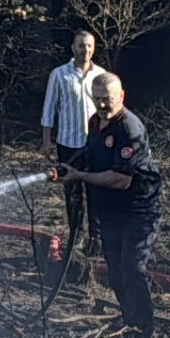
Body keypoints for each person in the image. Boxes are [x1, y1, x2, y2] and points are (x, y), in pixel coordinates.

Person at [54, 70, 163, 338]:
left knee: (132, 269)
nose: (102, 104)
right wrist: (68, 167)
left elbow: (121, 179)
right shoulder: (95, 122)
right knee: (115, 274)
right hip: (112, 212)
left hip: (139, 210)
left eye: (108, 99)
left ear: (121, 96)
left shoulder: (129, 129)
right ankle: (130, 322)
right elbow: (92, 153)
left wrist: (79, 176)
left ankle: (143, 332)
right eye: (97, 98)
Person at [39, 30, 109, 258]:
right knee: (73, 192)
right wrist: (47, 141)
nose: (85, 50)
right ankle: (76, 234)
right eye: (81, 45)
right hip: (68, 143)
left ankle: (96, 238)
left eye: (89, 46)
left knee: (96, 190)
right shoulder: (59, 75)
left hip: (95, 144)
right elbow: (49, 108)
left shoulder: (101, 75)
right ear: (73, 48)